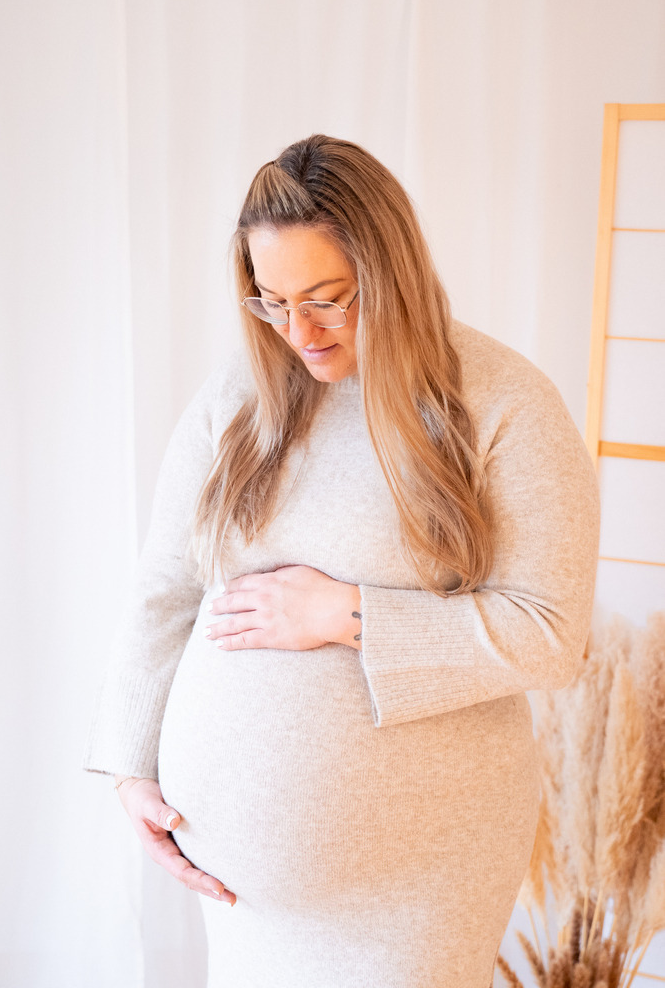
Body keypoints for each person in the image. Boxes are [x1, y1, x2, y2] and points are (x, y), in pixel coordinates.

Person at [84, 133, 600, 988]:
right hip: (243, 889)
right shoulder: (237, 400)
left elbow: (550, 633)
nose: (300, 331)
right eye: (272, 302)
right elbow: (166, 588)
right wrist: (132, 766)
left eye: (329, 297)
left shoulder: (506, 405)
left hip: (421, 878)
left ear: (392, 270)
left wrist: (343, 614)